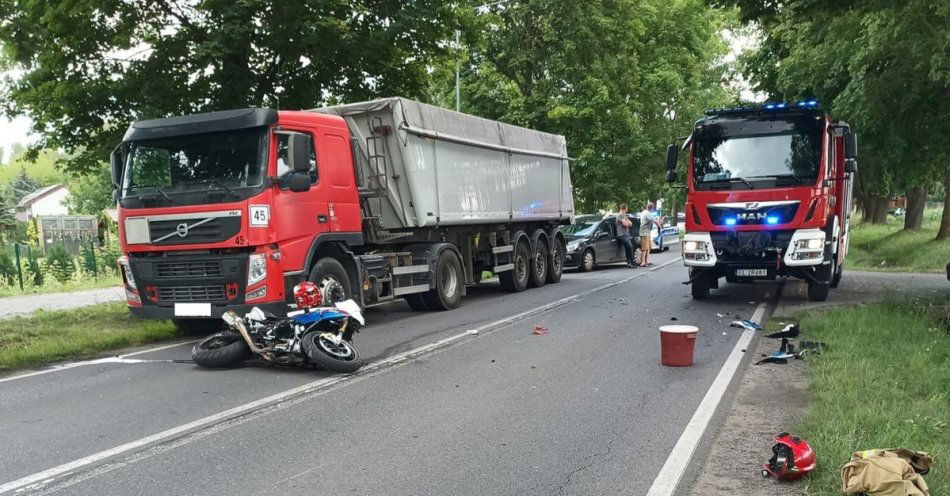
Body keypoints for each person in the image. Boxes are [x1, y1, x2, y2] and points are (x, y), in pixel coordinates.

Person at [639, 201, 660, 267]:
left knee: (648, 248)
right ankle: (642, 262)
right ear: (651, 208)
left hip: (647, 232)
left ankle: (646, 261)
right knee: (644, 248)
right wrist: (660, 226)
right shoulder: (647, 213)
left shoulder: (644, 212)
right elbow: (655, 221)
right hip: (644, 232)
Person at [615, 204, 636, 268]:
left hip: (626, 234)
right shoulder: (619, 215)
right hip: (621, 235)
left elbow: (631, 224)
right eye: (626, 210)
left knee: (628, 248)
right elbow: (626, 224)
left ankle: (629, 263)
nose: (626, 211)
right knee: (630, 247)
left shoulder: (624, 216)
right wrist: (627, 222)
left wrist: (627, 222)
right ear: (623, 209)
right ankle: (632, 262)